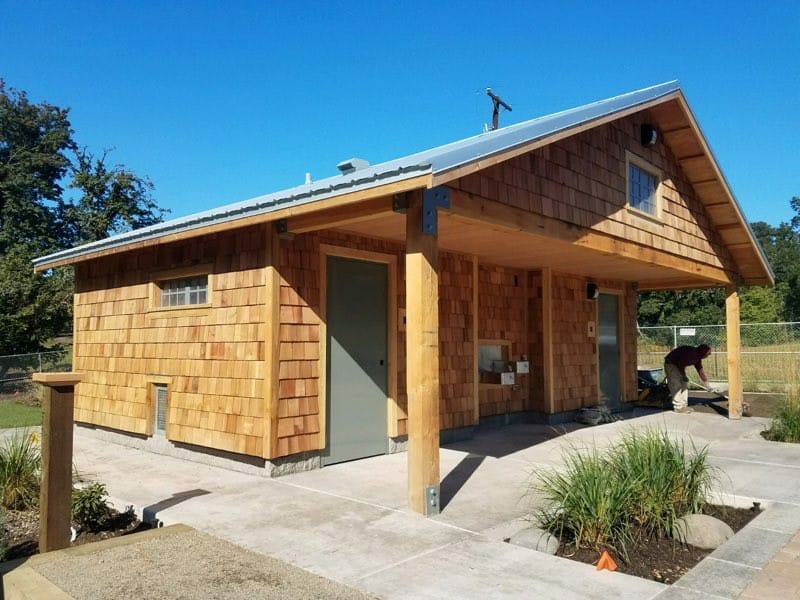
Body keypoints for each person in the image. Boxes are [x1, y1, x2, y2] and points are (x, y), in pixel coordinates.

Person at [664, 344, 712, 414]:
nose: (709, 355)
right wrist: (684, 376)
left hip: (678, 365)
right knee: (676, 386)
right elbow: (680, 364)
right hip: (671, 364)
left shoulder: (698, 357)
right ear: (703, 352)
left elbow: (700, 370)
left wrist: (707, 384)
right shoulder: (691, 353)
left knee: (684, 385)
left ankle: (684, 406)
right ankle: (678, 407)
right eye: (708, 353)